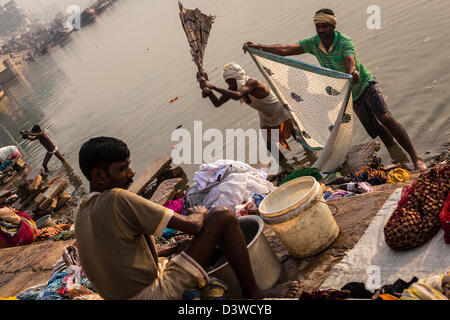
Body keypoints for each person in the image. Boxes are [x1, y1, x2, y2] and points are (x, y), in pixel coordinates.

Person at [74, 136, 299, 300]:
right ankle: (255, 293)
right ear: (99, 176)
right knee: (222, 216)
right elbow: (193, 226)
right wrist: (199, 214)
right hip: (152, 295)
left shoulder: (82, 211)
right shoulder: (116, 198)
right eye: (123, 169)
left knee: (193, 240)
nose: (132, 174)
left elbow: (117, 258)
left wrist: (172, 249)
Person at [242, 8, 427, 171]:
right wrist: (258, 46)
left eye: (325, 27)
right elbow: (285, 49)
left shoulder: (344, 41)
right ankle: (396, 156)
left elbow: (350, 59)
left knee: (385, 117)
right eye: (318, 27)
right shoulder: (314, 43)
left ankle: (414, 157)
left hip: (365, 84)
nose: (321, 31)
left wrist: (352, 72)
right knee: (376, 128)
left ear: (333, 26)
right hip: (349, 95)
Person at [198, 62, 306, 169]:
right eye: (228, 83)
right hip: (265, 118)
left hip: (279, 111)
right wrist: (207, 89)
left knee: (297, 137)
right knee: (270, 145)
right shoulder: (235, 88)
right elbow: (217, 103)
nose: (229, 86)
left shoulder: (252, 83)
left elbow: (238, 96)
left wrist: (212, 86)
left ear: (237, 78)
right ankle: (286, 167)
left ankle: (309, 156)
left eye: (231, 82)